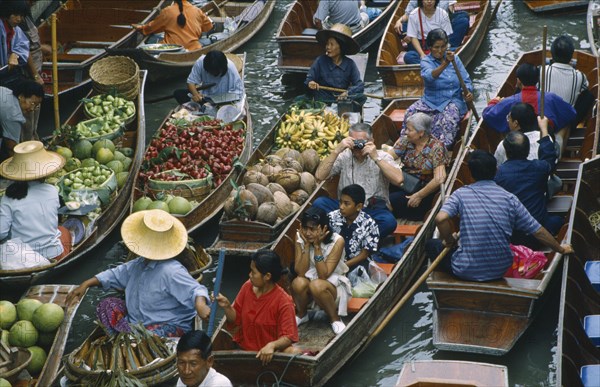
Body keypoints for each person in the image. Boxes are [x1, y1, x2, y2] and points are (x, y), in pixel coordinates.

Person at [426, 150, 574, 282]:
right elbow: (538, 231)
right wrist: (560, 249)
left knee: (432, 245)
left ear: (471, 174)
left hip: (465, 270)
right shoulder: (509, 198)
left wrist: (449, 240)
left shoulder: (460, 194)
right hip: (501, 269)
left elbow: (441, 218)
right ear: (496, 171)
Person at [66, 210, 211, 337]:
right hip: (137, 322)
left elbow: (196, 289)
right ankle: (128, 335)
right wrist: (85, 284)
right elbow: (114, 275)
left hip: (167, 325)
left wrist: (200, 304)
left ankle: (129, 337)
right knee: (106, 305)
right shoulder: (138, 264)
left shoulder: (171, 270)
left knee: (147, 336)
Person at [314, 122, 403, 239]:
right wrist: (336, 151)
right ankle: (357, 237)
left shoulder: (382, 157)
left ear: (372, 141)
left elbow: (398, 180)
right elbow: (319, 176)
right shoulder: (344, 156)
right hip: (344, 208)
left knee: (388, 222)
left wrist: (375, 158)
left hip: (371, 210)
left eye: (361, 142)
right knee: (319, 204)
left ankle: (347, 237)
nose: (357, 146)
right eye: (354, 141)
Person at [216, 250, 299, 365]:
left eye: (253, 272)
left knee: (293, 352)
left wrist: (272, 345)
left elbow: (288, 336)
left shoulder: (284, 301)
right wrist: (227, 306)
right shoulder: (247, 286)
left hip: (269, 355)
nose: (249, 275)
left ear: (267, 276)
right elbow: (235, 320)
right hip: (245, 350)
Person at [495, 117, 564, 249]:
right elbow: (549, 155)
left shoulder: (498, 175)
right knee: (560, 221)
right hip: (538, 233)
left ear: (507, 152)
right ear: (527, 151)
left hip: (512, 236)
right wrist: (544, 129)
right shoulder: (539, 168)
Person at [0, 141, 70, 268]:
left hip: (23, 258)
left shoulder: (8, 197)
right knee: (64, 231)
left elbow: (1, 233)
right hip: (53, 255)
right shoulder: (52, 191)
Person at [401, 28, 473, 148]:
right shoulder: (426, 61)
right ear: (430, 47)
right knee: (410, 113)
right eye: (436, 47)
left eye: (443, 46)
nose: (440, 51)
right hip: (430, 101)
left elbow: (466, 80)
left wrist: (468, 92)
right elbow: (430, 77)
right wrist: (445, 63)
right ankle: (407, 146)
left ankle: (439, 150)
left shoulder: (455, 59)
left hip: (452, 101)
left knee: (447, 121)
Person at [292, 207, 351, 335]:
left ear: (324, 228)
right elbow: (300, 273)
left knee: (317, 285)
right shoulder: (300, 236)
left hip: (332, 285)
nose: (308, 233)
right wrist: (307, 246)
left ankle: (335, 318)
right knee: (297, 283)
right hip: (310, 281)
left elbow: (324, 275)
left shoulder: (337, 241)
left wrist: (317, 246)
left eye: (313, 229)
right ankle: (302, 314)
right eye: (305, 228)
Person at [482, 63, 576, 136]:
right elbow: (571, 113)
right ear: (537, 80)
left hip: (518, 143)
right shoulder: (550, 98)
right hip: (546, 138)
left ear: (518, 81)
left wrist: (494, 102)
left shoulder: (510, 101)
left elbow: (487, 114)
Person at [389, 112, 449, 220]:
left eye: (410, 130)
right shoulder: (406, 141)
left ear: (421, 133)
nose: (406, 132)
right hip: (406, 182)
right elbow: (388, 157)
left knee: (390, 200)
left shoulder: (436, 148)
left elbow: (439, 178)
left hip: (424, 189)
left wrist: (419, 195)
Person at [541, 35, 595, 152]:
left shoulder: (543, 71)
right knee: (589, 95)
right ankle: (569, 129)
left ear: (553, 55)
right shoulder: (579, 76)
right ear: (571, 56)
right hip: (566, 119)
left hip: (543, 118)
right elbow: (585, 89)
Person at [305, 23, 365, 107]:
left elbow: (359, 85)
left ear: (341, 47)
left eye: (331, 44)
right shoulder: (320, 61)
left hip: (342, 100)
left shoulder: (350, 64)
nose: (328, 47)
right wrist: (311, 83)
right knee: (301, 98)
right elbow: (309, 80)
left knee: (361, 97)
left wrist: (347, 93)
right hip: (323, 99)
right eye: (327, 44)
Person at [328, 184, 380, 270]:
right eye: (340, 202)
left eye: (346, 204)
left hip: (356, 265)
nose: (341, 207)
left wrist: (342, 267)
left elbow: (364, 254)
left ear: (359, 206)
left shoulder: (370, 224)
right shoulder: (331, 217)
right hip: (332, 263)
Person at [133, 0, 213, 51]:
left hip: (172, 49)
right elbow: (208, 27)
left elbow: (150, 28)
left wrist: (141, 28)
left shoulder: (167, 11)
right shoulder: (197, 11)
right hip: (194, 48)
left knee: (150, 41)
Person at [173, 50, 244, 105]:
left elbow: (238, 94)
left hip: (223, 100)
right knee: (178, 93)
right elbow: (191, 82)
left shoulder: (230, 68)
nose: (213, 74)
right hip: (205, 98)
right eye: (211, 72)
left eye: (216, 72)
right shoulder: (200, 62)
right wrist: (196, 95)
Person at [394, 0, 469, 50]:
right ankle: (425, 49)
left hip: (441, 27)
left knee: (463, 18)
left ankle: (448, 47)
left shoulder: (442, 13)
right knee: (402, 28)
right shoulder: (415, 13)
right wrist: (399, 21)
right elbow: (408, 14)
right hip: (422, 30)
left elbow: (450, 9)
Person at [402, 0, 458, 65]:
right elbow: (413, 37)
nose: (429, 1)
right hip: (422, 46)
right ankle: (436, 66)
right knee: (409, 56)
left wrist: (442, 51)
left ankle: (428, 65)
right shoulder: (413, 14)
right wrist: (422, 54)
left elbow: (446, 37)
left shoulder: (443, 13)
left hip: (439, 46)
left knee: (456, 52)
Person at [0, 79, 44, 160]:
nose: (32, 109)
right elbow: (11, 147)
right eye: (32, 103)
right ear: (21, 96)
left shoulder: (8, 93)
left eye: (36, 105)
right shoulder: (14, 114)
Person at [0, 0, 29, 88]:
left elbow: (23, 45)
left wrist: (15, 54)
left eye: (21, 15)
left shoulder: (16, 30)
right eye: (15, 15)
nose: (19, 19)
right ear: (7, 12)